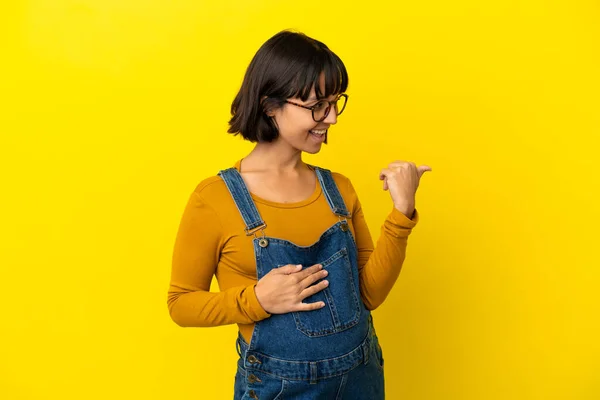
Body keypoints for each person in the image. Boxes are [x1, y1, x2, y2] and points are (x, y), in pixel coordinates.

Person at [167, 29, 431, 399]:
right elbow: (181, 304)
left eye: (336, 102)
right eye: (317, 106)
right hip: (278, 387)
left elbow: (368, 294)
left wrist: (401, 213)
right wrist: (257, 300)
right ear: (269, 105)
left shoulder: (339, 188)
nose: (332, 118)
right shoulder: (215, 198)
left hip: (360, 377)